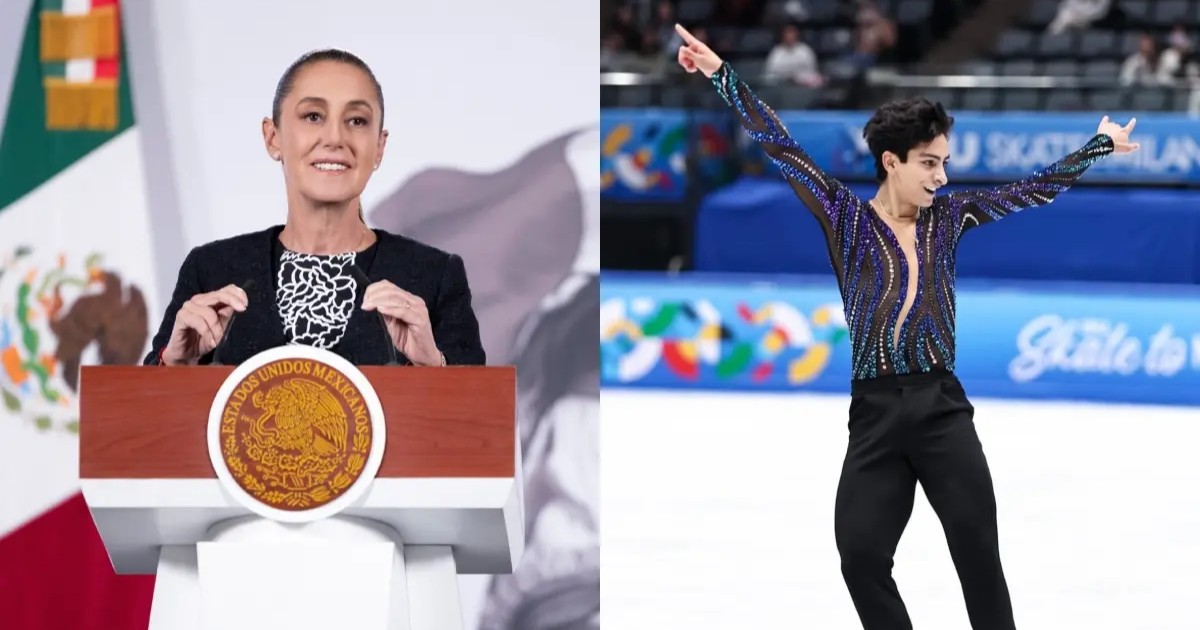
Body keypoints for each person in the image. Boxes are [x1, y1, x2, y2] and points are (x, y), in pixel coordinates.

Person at [673, 23, 1139, 630]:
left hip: (941, 408)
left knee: (978, 556)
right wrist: (720, 74)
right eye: (929, 163)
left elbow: (1033, 190)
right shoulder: (844, 218)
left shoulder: (950, 216)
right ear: (891, 162)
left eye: (944, 163)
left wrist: (1096, 147)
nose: (941, 176)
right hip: (874, 415)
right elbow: (779, 143)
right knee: (860, 555)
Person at [141, 48, 485, 368]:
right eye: (313, 116)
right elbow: (137, 414)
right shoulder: (211, 270)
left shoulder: (435, 276)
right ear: (273, 137)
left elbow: (482, 421)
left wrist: (435, 367)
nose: (335, 138)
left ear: (379, 147)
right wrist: (174, 363)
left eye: (357, 121)